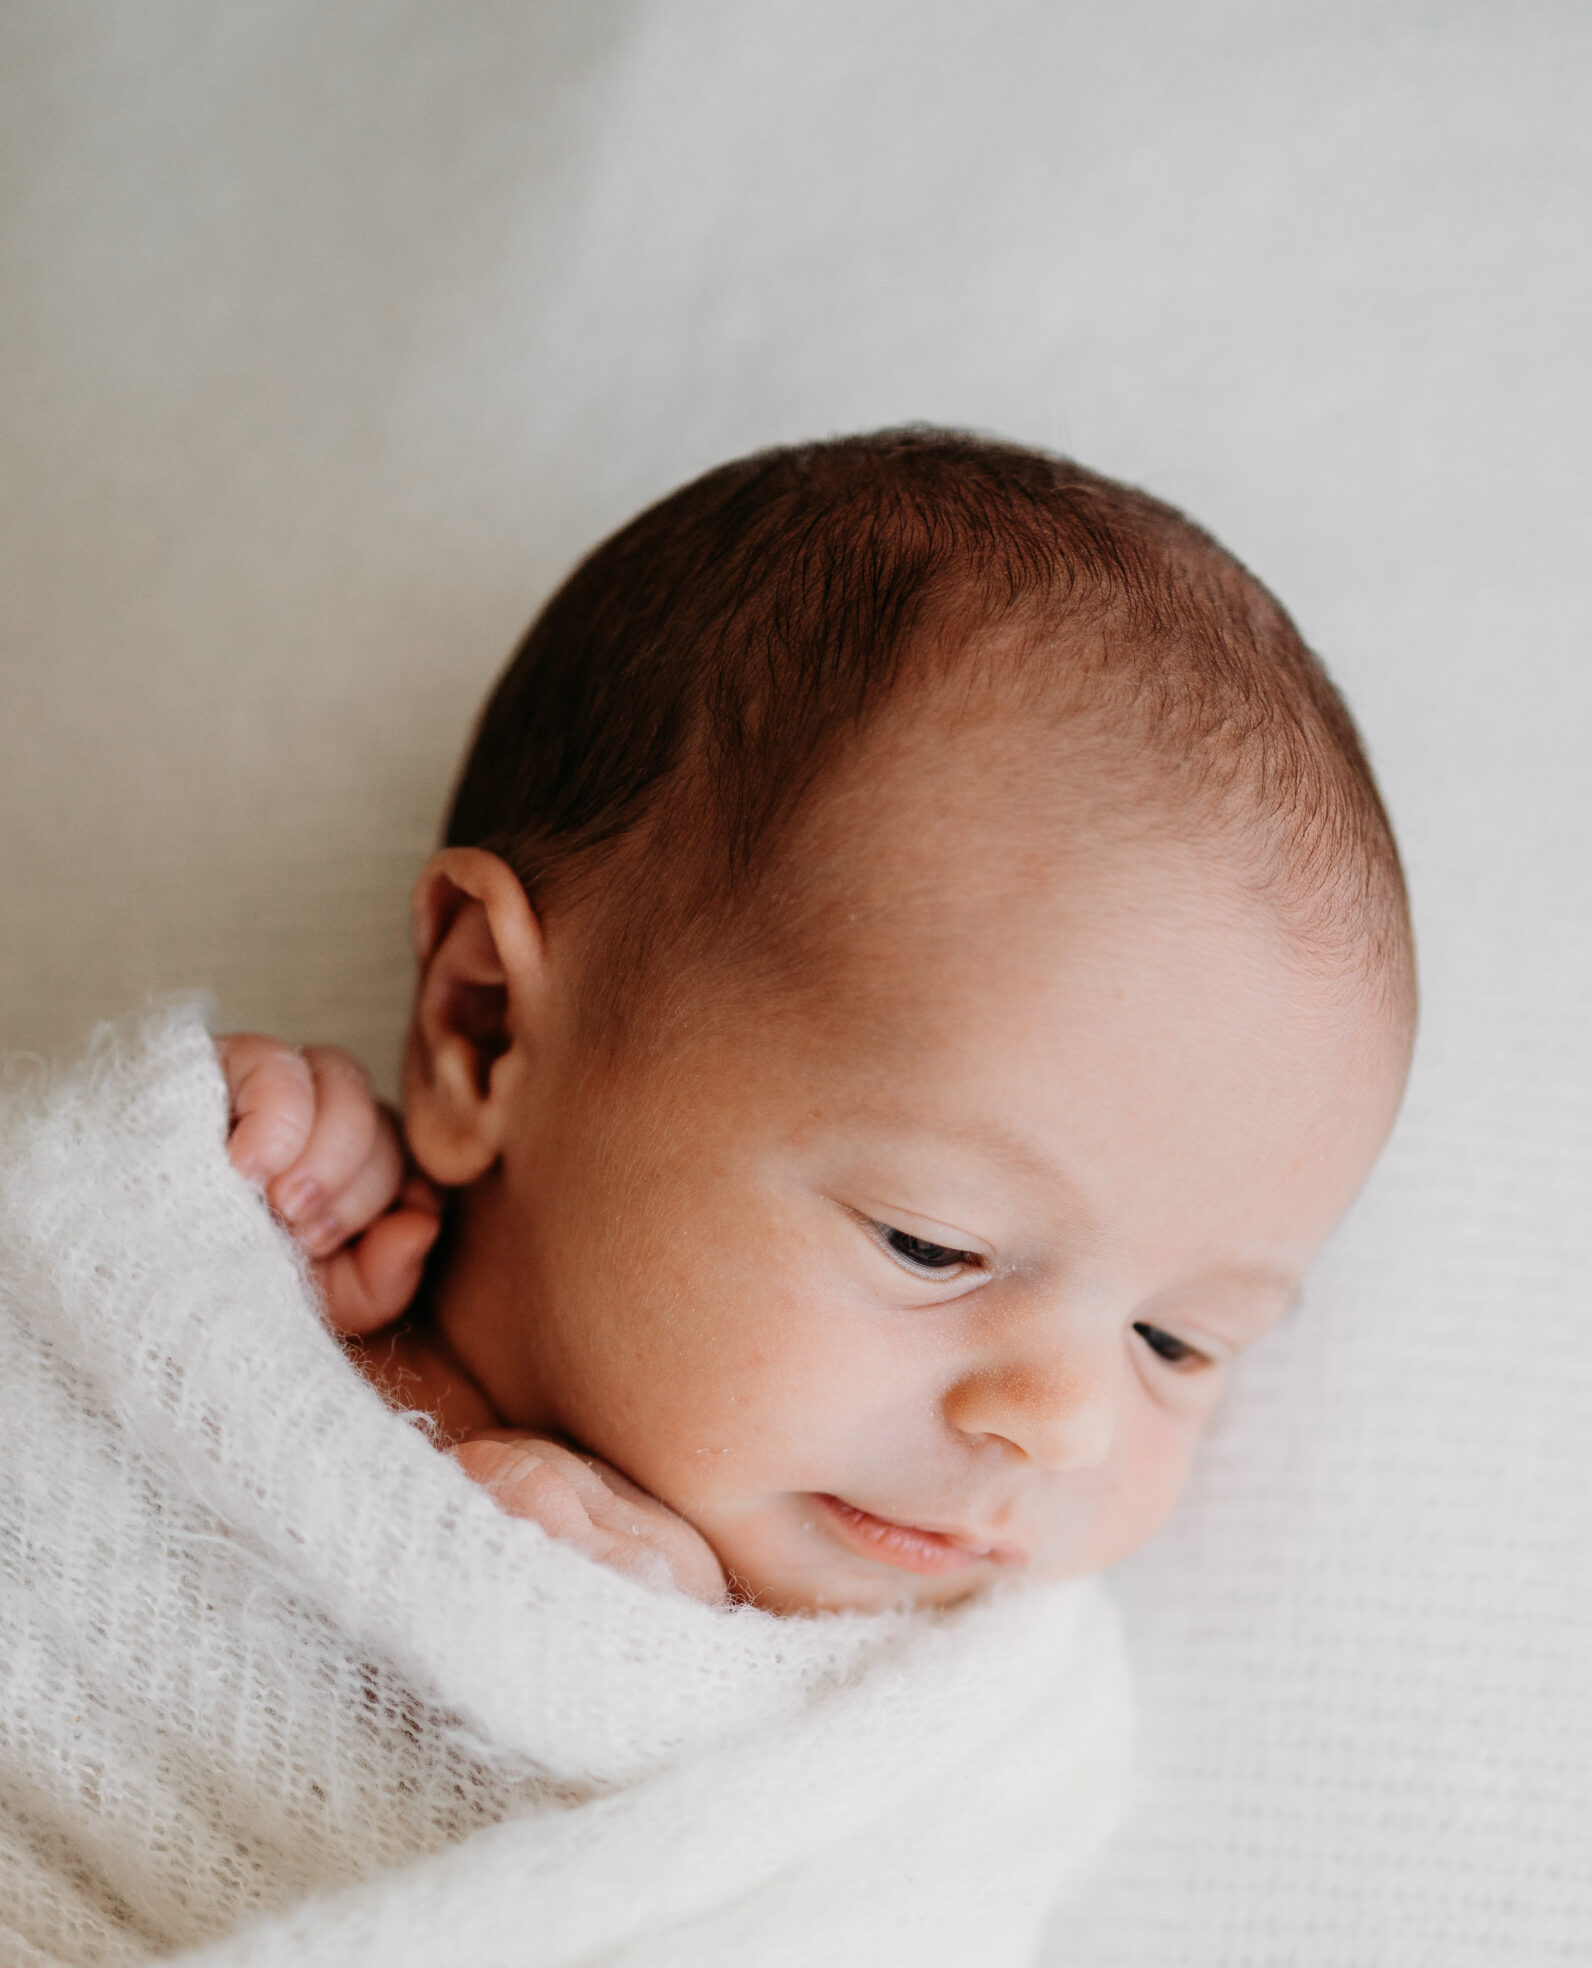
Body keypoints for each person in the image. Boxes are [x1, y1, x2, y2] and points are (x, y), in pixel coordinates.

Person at [222, 426, 1414, 1615]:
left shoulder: (950, 1710)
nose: (1064, 1424)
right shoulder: (240, 1272)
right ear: (484, 1032)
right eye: (929, 1244)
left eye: (1174, 1343)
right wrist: (219, 1203)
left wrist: (629, 1679)